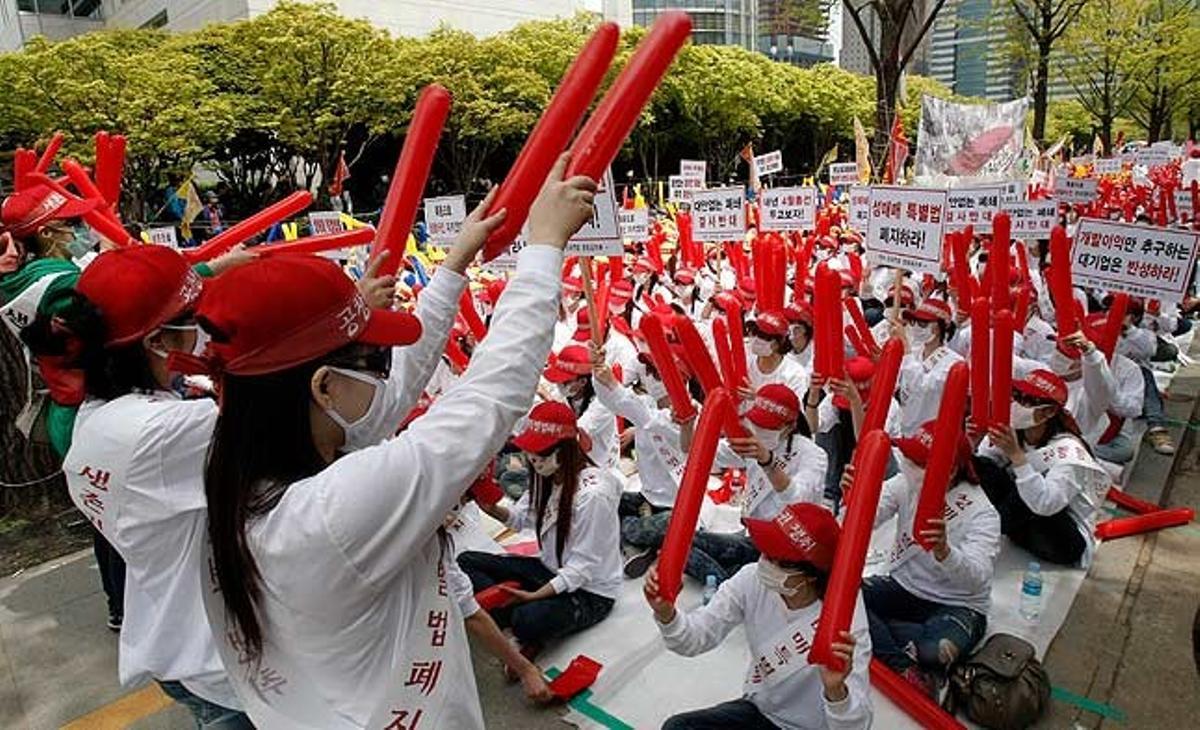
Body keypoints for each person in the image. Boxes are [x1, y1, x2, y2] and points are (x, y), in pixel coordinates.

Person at [199, 156, 596, 728]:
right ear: (324, 386)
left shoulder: (238, 465)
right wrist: (542, 248)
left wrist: (456, 262)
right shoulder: (332, 512)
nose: (385, 374)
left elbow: (396, 392)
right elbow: (487, 400)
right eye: (370, 359)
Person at [40, 246, 251, 726]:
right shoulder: (163, 432)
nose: (205, 330)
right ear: (157, 341)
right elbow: (308, 416)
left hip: (171, 636)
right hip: (216, 658)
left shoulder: (94, 417)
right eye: (196, 318)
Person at [644, 502, 872, 730]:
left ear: (811, 575)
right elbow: (694, 638)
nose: (766, 563)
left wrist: (836, 692)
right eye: (766, 551)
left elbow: (857, 725)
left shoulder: (845, 620)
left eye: (779, 559)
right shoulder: (751, 579)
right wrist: (667, 614)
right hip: (760, 712)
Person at [460, 401, 622, 660]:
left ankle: (515, 619)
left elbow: (583, 567)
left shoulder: (593, 496)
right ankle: (511, 615)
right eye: (530, 452)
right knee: (466, 562)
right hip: (549, 568)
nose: (533, 460)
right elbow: (521, 518)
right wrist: (489, 506)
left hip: (590, 590)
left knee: (528, 619)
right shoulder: (545, 474)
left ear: (566, 450)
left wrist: (533, 595)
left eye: (541, 454)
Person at [859, 421, 1000, 695]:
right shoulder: (905, 484)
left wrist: (945, 552)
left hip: (957, 604)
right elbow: (865, 520)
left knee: (934, 653)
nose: (907, 465)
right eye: (909, 458)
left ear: (949, 472)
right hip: (903, 586)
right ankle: (903, 666)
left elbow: (977, 578)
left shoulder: (982, 513)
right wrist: (857, 496)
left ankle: (882, 635)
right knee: (835, 597)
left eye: (917, 461)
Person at [974, 368, 1111, 566]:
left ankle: (991, 529)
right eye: (1018, 396)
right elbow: (985, 467)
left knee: (1021, 496)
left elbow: (1046, 504)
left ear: (1050, 411)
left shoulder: (1069, 450)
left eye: (1029, 401)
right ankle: (987, 527)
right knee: (983, 468)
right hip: (1024, 523)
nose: (1018, 405)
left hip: (1062, 537)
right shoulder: (1013, 430)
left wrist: (1016, 456)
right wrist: (974, 439)